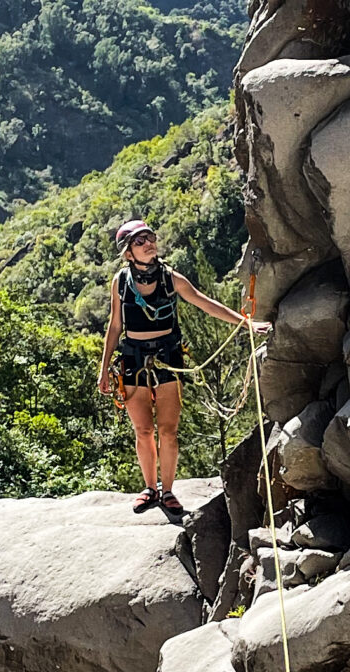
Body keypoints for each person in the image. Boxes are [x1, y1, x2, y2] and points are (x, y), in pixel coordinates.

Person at [98, 219, 268, 520]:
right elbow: (115, 326)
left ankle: (167, 491)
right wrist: (103, 370)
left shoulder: (170, 278)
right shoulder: (120, 282)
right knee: (143, 430)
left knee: (168, 430)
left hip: (168, 358)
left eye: (150, 237)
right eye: (140, 242)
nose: (148, 243)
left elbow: (205, 303)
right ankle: (150, 488)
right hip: (134, 359)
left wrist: (246, 324)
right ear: (128, 253)